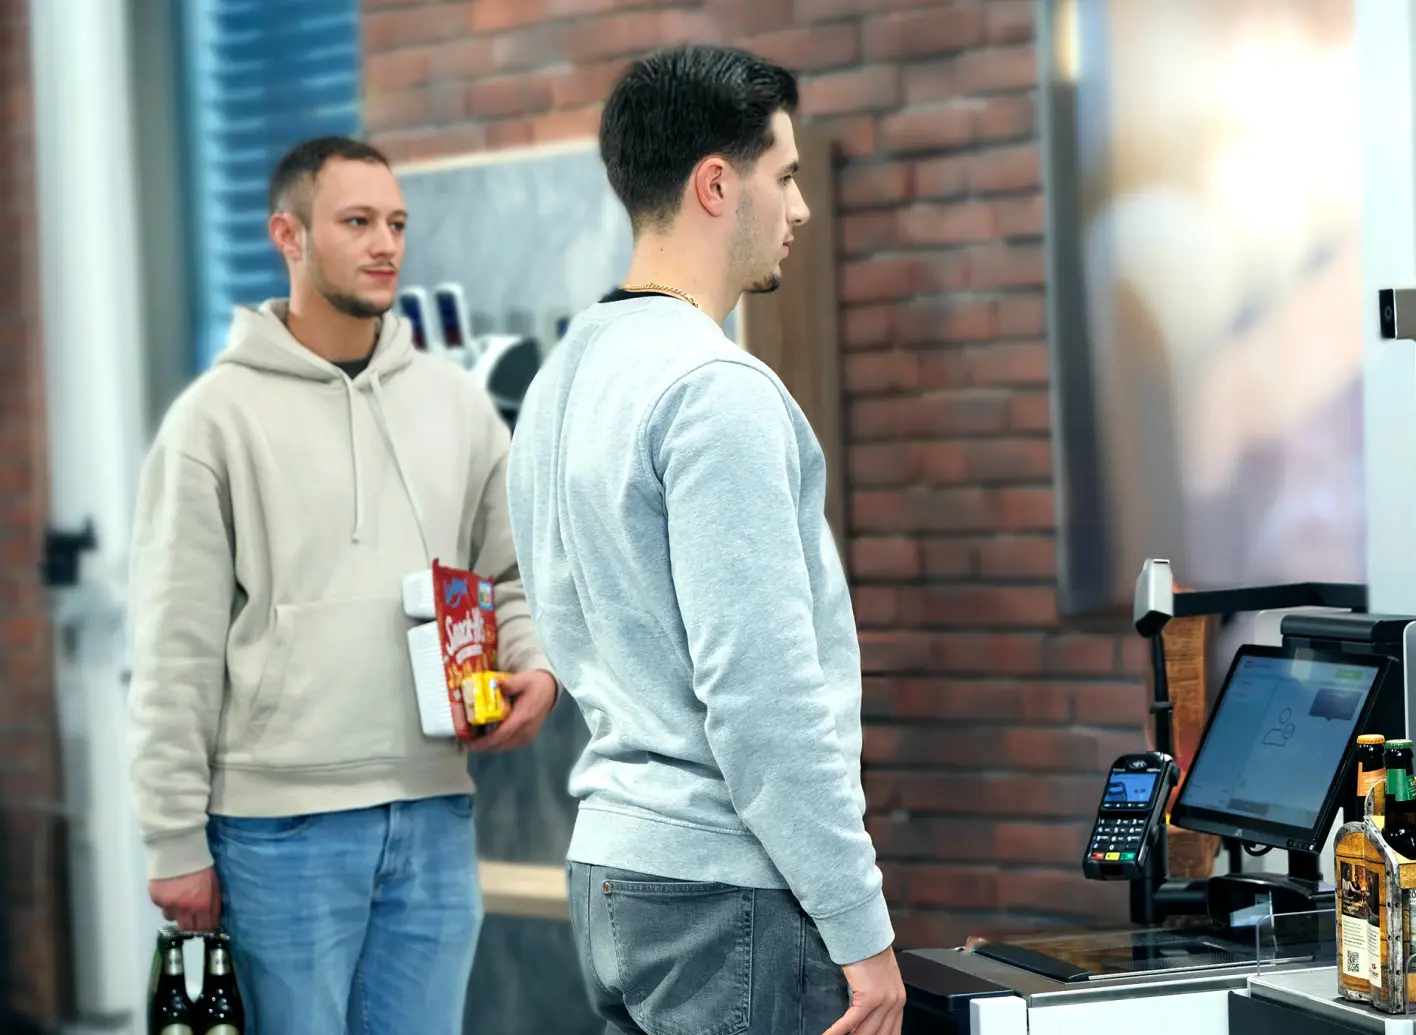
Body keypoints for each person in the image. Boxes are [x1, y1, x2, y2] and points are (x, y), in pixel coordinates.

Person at [506, 45, 904, 1035]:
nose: (800, 209)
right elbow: (761, 697)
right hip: (724, 888)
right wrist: (864, 932)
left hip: (615, 874)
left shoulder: (564, 378)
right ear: (718, 185)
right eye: (786, 177)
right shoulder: (715, 392)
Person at [125, 135, 559, 1035]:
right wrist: (172, 837)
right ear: (288, 235)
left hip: (435, 813)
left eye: (396, 222)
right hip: (279, 831)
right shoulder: (215, 420)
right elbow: (174, 646)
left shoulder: (454, 404)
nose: (385, 243)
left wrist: (538, 667)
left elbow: (514, 571)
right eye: (357, 221)